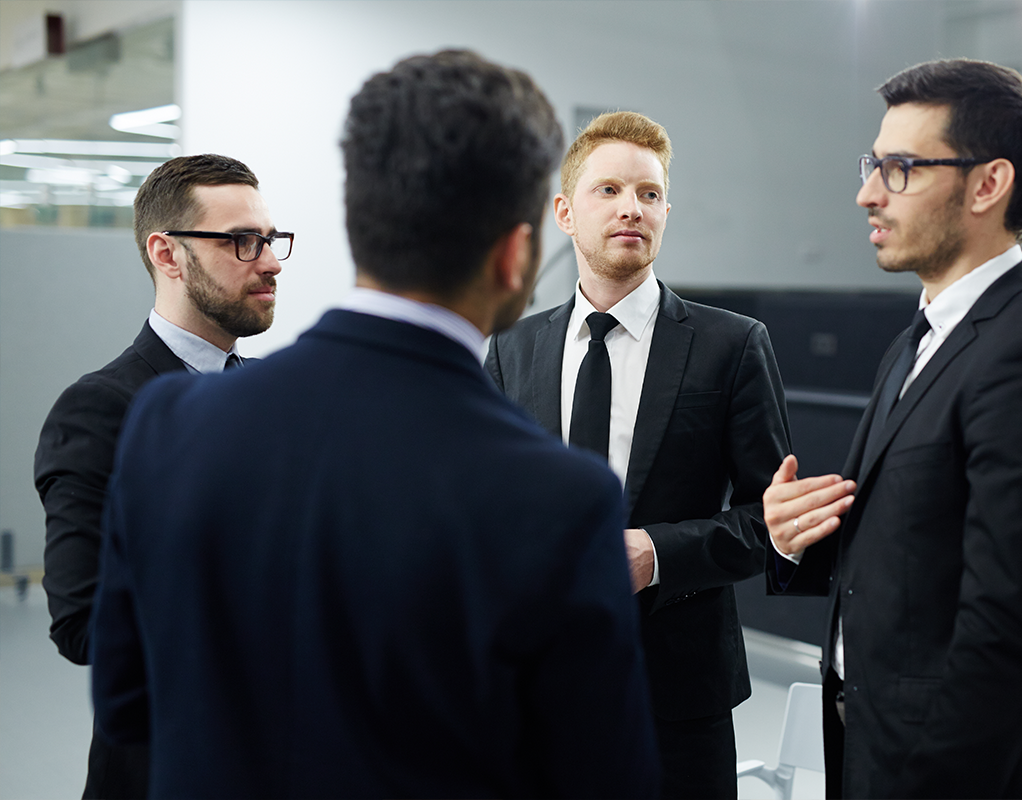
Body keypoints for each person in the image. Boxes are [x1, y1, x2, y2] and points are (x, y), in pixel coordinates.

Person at [88, 50, 659, 799]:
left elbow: (127, 706)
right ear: (517, 253)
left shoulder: (170, 426)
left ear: (360, 224)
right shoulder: (560, 499)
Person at [763, 58, 1022, 798]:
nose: (868, 193)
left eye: (899, 169)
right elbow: (917, 548)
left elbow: (1010, 638)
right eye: (872, 165)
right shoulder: (916, 342)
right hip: (871, 746)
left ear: (988, 185)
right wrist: (794, 541)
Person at [488, 111, 790, 798]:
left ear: (665, 213)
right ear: (565, 213)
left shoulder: (732, 345)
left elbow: (771, 523)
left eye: (650, 194)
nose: (632, 208)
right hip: (536, 688)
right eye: (609, 190)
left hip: (677, 699)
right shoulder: (511, 349)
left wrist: (657, 555)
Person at [33, 153, 285, 799]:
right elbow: (82, 623)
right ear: (167, 254)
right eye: (241, 241)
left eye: (270, 239)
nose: (270, 262)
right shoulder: (100, 409)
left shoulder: (277, 397)